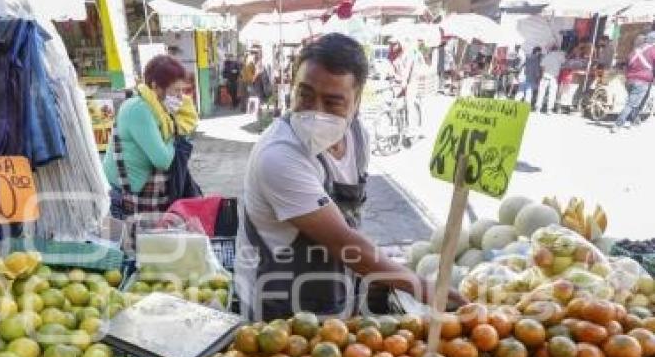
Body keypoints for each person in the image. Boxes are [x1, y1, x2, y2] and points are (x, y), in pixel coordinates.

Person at [235, 33, 464, 321]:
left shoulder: (357, 136)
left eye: (333, 102)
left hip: (331, 288)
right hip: (276, 304)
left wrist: (365, 283)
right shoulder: (279, 156)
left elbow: (350, 227)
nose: (315, 111)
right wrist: (422, 288)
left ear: (356, 102)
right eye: (304, 94)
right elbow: (343, 241)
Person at [103, 55, 199, 219]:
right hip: (126, 197)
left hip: (143, 194)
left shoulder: (158, 109)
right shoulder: (139, 109)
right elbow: (162, 160)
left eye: (181, 91)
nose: (180, 97)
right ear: (155, 86)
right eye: (175, 90)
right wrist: (174, 132)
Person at [612, 32, 655, 132]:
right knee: (632, 103)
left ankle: (634, 121)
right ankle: (618, 124)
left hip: (630, 80)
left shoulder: (635, 51)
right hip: (643, 81)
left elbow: (627, 64)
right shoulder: (653, 50)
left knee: (635, 102)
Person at [536, 45, 565, 113]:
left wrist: (542, 75)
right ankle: (549, 109)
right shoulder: (560, 56)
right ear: (557, 50)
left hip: (545, 75)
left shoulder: (546, 56)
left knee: (541, 92)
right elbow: (564, 63)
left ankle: (538, 108)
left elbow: (542, 66)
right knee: (552, 93)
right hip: (554, 77)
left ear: (551, 49)